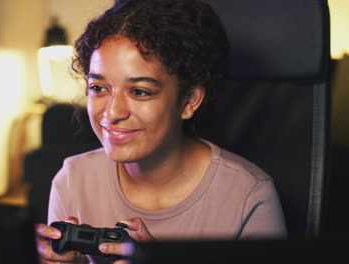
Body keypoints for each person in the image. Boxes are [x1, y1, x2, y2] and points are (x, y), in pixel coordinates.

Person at [36, 0, 287, 263]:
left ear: (189, 100)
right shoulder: (73, 179)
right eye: (99, 88)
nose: (111, 112)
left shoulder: (248, 195)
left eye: (139, 91)